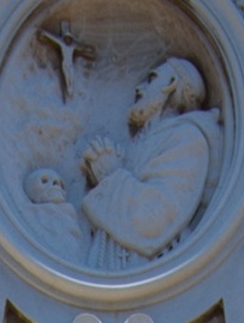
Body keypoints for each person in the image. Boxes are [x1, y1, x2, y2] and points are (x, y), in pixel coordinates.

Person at [79, 57, 220, 269]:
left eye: (151, 79)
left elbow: (155, 219)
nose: (139, 87)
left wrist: (111, 175)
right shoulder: (144, 141)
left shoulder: (186, 137)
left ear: (171, 83)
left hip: (149, 270)